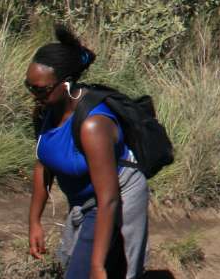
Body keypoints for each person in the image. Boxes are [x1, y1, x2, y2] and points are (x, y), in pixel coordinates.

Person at [26, 26, 148, 279]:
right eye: (29, 86)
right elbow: (44, 165)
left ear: (66, 84)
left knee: (90, 272)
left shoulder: (93, 126)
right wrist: (35, 222)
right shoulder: (45, 111)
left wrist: (97, 265)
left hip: (115, 199)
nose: (33, 95)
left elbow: (109, 199)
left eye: (40, 89)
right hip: (84, 202)